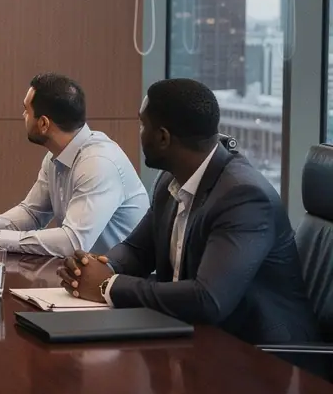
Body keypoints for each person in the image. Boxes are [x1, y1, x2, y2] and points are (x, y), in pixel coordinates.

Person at [58, 78, 318, 345]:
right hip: (198, 338)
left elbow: (209, 299)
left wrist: (107, 286)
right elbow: (137, 250)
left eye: (142, 124)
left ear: (162, 137)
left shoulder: (242, 197)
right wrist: (94, 267)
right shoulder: (169, 182)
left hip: (264, 357)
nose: (139, 133)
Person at [0, 73, 149, 256]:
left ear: (44, 124)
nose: (23, 116)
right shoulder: (56, 156)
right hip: (86, 276)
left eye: (26, 110)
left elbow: (73, 242)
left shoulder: (98, 164)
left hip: (122, 282)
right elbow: (32, 214)